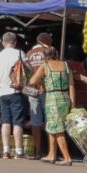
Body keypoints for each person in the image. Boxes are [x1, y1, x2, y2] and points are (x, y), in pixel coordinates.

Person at [29, 45, 75, 165]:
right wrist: (73, 104)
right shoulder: (65, 65)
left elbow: (32, 81)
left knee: (58, 129)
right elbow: (71, 85)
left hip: (52, 98)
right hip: (65, 97)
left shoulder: (45, 66)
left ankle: (67, 157)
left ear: (45, 57)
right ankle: (51, 154)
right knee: (51, 126)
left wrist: (43, 79)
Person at [0, 31, 29, 159]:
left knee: (5, 121)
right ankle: (19, 151)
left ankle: (5, 151)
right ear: (15, 42)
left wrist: (1, 81)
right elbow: (29, 69)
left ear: (3, 43)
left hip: (3, 92)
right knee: (17, 122)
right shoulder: (19, 53)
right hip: (16, 91)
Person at [23, 32, 51, 160]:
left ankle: (38, 151)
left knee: (35, 122)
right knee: (50, 120)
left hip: (32, 91)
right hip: (47, 90)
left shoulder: (28, 54)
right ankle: (52, 151)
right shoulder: (49, 51)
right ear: (46, 40)